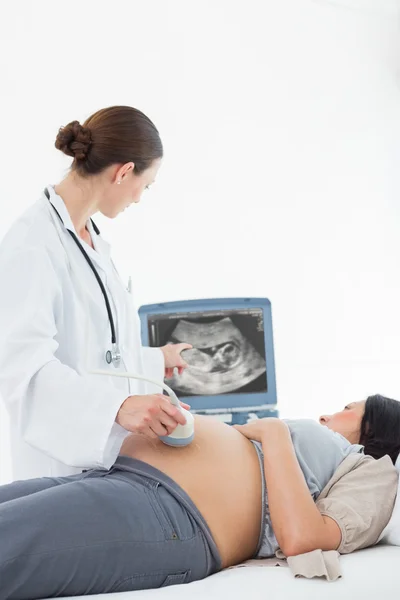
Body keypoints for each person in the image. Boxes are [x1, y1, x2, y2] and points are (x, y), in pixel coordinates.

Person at [0, 394, 399, 598]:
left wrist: (274, 432)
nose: (329, 416)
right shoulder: (321, 455)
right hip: (119, 474)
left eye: (348, 409)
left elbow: (304, 538)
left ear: (378, 429)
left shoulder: (375, 473)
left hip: (175, 515)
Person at [0, 106, 192, 481]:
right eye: (145, 185)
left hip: (111, 466)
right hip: (60, 470)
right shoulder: (32, 245)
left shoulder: (89, 239)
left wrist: (156, 360)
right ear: (123, 172)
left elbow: (96, 351)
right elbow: (23, 371)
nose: (138, 198)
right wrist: (118, 407)